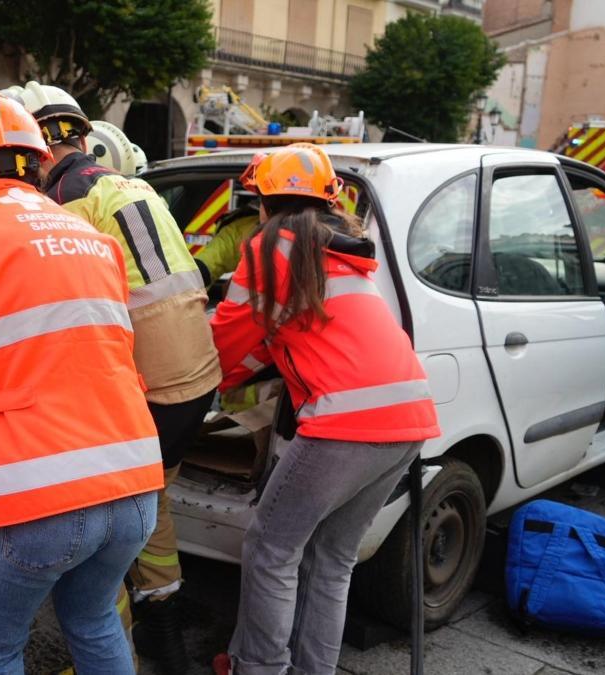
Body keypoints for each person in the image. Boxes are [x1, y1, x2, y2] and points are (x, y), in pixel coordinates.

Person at [0, 89, 162, 673]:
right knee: (94, 621)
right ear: (38, 160)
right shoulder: (92, 237)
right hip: (134, 485)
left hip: (30, 493)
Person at [0, 85, 219, 673]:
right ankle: (165, 633)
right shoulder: (132, 184)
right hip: (195, 382)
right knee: (152, 502)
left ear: (39, 143)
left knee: (99, 523)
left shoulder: (64, 197)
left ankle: (106, 650)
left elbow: (61, 306)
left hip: (149, 385)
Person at [208, 144, 440, 675]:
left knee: (271, 547)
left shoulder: (271, 246)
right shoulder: (345, 253)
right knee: (332, 560)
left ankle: (259, 667)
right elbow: (304, 335)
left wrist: (202, 381)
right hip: (408, 419)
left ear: (264, 203)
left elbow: (231, 337)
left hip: (344, 425)